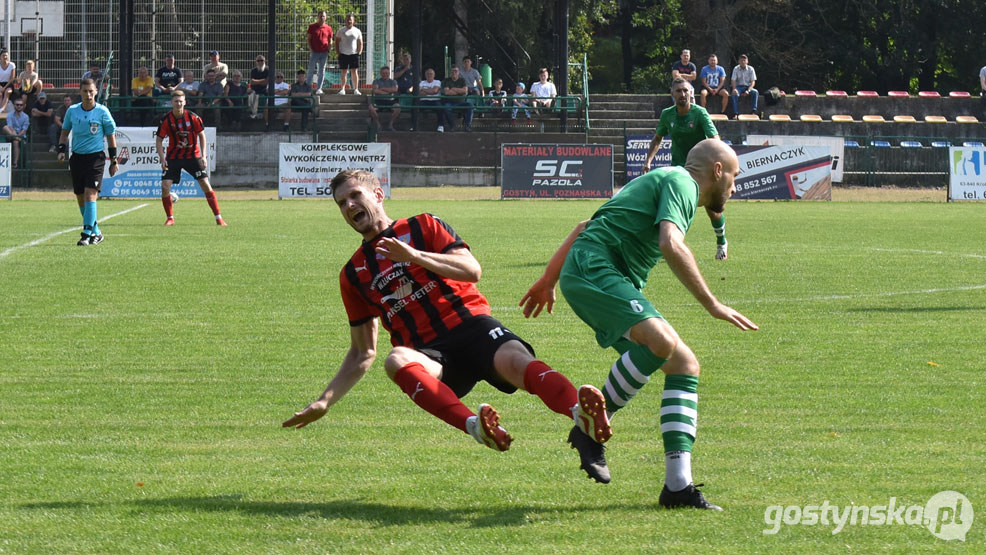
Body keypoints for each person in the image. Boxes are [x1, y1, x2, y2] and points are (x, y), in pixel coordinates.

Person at [282, 170, 613, 484]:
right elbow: (361, 352)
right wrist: (325, 401)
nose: (349, 206)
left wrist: (413, 255)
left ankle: (579, 414)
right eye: (342, 203)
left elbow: (471, 270)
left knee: (517, 361)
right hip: (432, 355)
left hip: (472, 327)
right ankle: (476, 427)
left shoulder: (423, 225)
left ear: (379, 194)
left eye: (355, 195)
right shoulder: (353, 274)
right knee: (395, 359)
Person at [520, 139, 758, 508]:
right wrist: (711, 303)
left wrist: (549, 279)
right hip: (596, 268)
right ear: (717, 171)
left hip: (595, 271)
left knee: (684, 365)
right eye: (735, 176)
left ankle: (678, 486)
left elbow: (586, 223)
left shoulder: (666, 179)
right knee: (661, 342)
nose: (735, 186)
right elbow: (670, 242)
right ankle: (590, 429)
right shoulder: (682, 183)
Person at [643, 77, 729, 260]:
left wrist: (718, 162)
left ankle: (721, 241)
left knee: (711, 209)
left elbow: (715, 138)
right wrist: (648, 161)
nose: (682, 94)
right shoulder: (667, 114)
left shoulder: (700, 113)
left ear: (691, 93)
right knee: (670, 207)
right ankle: (667, 247)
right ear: (672, 94)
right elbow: (657, 139)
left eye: (685, 91)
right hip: (679, 169)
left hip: (702, 168)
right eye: (678, 91)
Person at [57, 79, 119, 246]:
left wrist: (114, 160)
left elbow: (111, 137)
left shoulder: (102, 112)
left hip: (95, 158)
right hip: (77, 157)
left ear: (96, 92)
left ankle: (85, 234)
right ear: (80, 92)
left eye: (91, 91)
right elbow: (64, 131)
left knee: (90, 193)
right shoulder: (72, 111)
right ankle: (96, 231)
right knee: (79, 196)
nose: (88, 94)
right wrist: (61, 150)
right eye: (85, 91)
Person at [155, 90, 226, 227]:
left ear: (185, 102)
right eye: (176, 101)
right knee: (165, 186)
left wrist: (204, 156)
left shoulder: (193, 118)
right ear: (172, 103)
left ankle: (219, 217)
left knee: (205, 184)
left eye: (181, 101)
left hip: (192, 156)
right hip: (173, 157)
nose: (179, 103)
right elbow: (159, 140)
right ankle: (170, 218)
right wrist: (162, 158)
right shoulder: (166, 120)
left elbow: (202, 135)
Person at [335, 13, 363, 95]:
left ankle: (356, 89)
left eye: (350, 19)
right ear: (345, 21)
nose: (349, 21)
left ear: (353, 21)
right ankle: (342, 89)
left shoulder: (357, 31)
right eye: (347, 19)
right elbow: (336, 42)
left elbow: (360, 43)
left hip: (354, 54)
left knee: (354, 71)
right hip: (343, 54)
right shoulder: (341, 31)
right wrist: (338, 52)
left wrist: (359, 53)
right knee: (344, 71)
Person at [306, 10, 333, 93]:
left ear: (326, 17)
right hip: (314, 52)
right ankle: (308, 89)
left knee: (321, 71)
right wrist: (311, 49)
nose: (322, 17)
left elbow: (330, 39)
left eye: (323, 16)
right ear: (318, 17)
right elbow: (309, 39)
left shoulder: (328, 28)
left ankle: (319, 89)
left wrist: (329, 48)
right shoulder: (312, 27)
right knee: (311, 70)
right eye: (320, 16)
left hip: (324, 52)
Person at [368, 66, 400, 132]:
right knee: (371, 107)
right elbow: (375, 90)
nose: (385, 74)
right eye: (383, 73)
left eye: (386, 73)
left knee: (398, 107)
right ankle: (378, 125)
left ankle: (390, 125)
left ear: (389, 73)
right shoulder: (376, 81)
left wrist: (382, 88)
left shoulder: (393, 81)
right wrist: (388, 92)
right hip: (378, 101)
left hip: (390, 101)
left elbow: (395, 89)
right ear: (381, 73)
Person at [2, 97, 30, 167]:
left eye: (21, 105)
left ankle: (15, 163)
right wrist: (16, 136)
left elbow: (24, 130)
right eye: (17, 104)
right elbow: (10, 126)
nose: (19, 106)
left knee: (15, 141)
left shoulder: (26, 117)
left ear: (23, 106)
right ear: (14, 105)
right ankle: (16, 138)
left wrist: (18, 137)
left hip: (21, 136)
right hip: (11, 134)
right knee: (5, 127)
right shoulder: (10, 115)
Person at [393, 51, 416, 130]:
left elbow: (417, 81)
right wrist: (405, 69)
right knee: (395, 99)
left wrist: (411, 88)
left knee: (415, 101)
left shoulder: (414, 69)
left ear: (410, 60)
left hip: (410, 90)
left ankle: (413, 124)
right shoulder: (398, 68)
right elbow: (395, 77)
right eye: (404, 59)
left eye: (407, 59)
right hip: (399, 89)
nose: (406, 61)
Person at [248, 55, 270, 121]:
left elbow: (266, 82)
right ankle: (254, 114)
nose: (260, 62)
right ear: (256, 62)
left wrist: (256, 81)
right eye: (258, 61)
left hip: (265, 90)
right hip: (254, 90)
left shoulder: (268, 70)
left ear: (264, 61)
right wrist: (262, 80)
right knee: (251, 95)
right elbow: (252, 82)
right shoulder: (253, 70)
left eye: (261, 60)